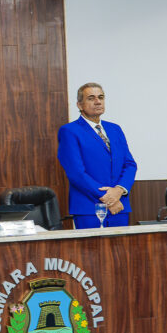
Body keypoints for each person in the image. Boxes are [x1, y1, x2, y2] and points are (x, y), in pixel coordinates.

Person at [57, 82, 137, 228]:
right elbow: (76, 173)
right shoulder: (69, 131)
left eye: (101, 97)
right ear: (79, 105)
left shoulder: (115, 129)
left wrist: (119, 191)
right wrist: (109, 199)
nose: (98, 101)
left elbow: (130, 164)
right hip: (89, 207)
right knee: (92, 251)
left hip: (120, 206)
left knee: (120, 250)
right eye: (91, 98)